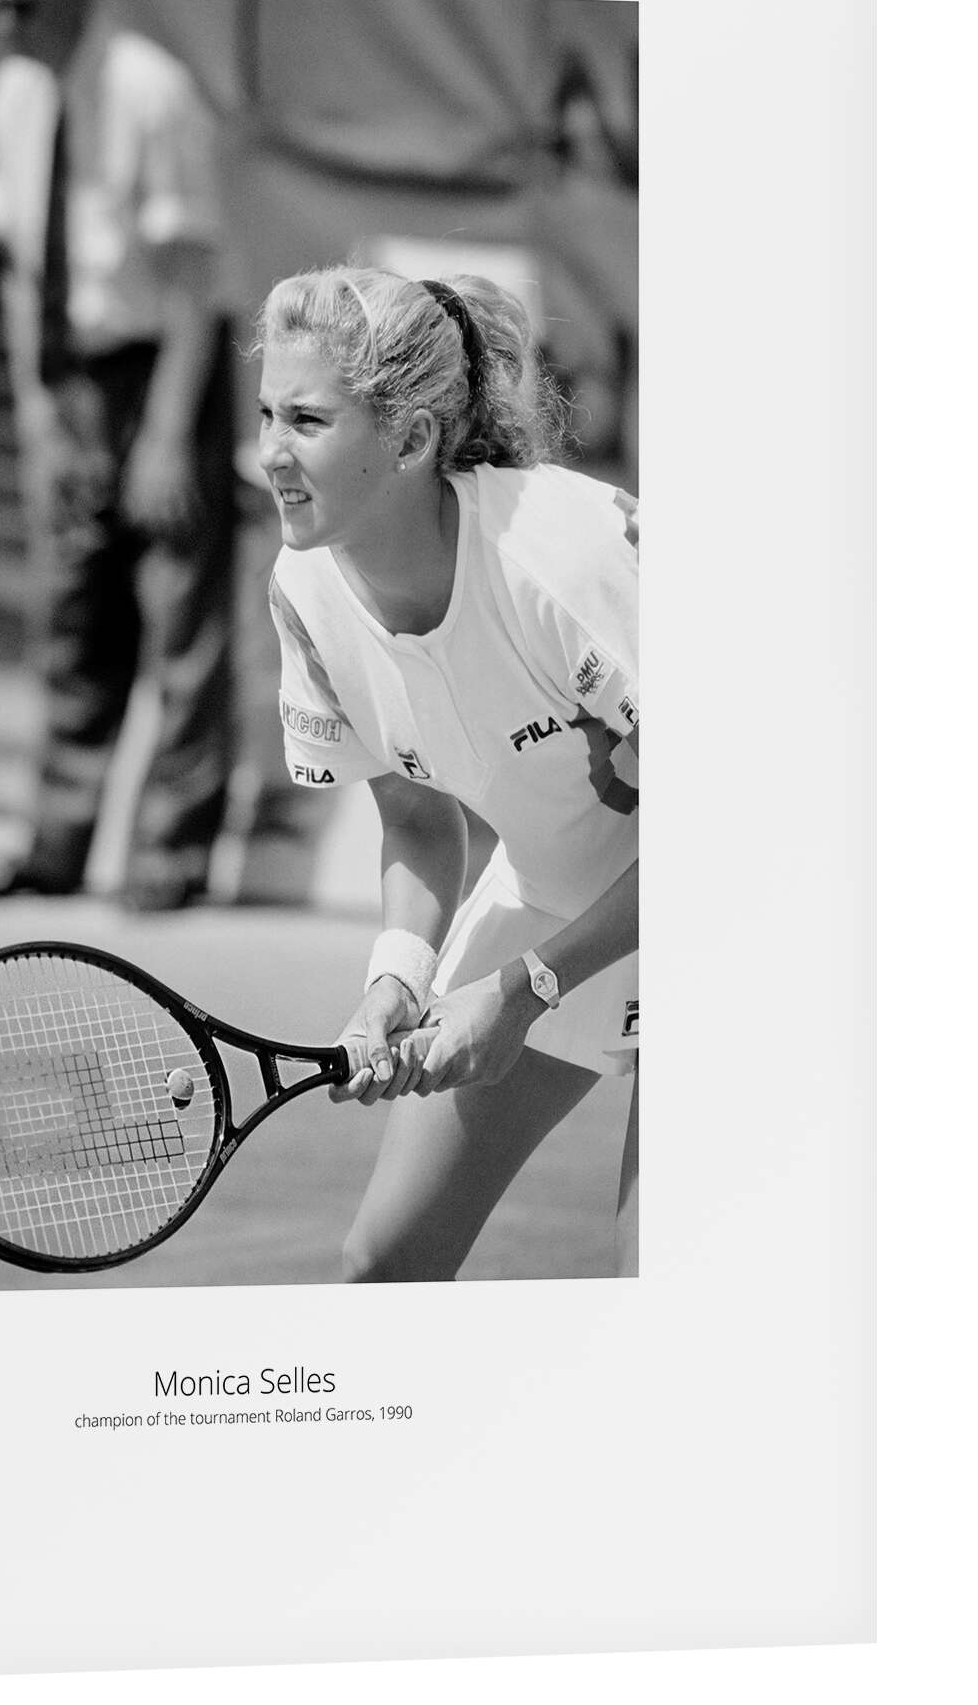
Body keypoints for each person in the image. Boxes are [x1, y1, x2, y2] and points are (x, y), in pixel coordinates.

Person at [257, 266, 639, 1278]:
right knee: (385, 1266)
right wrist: (399, 978)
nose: (270, 453)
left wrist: (527, 989)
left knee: (669, 1285)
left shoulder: (559, 558)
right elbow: (420, 819)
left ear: (413, 439)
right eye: (266, 414)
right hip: (556, 891)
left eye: (306, 419)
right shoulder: (303, 590)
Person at [0, 0, 235, 911]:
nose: (5, 24)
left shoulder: (152, 90)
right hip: (71, 370)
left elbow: (192, 277)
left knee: (179, 612)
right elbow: (20, 271)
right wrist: (37, 413)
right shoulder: (12, 98)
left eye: (21, 2)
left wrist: (166, 433)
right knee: (73, 612)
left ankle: (171, 850)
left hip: (161, 366)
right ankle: (56, 842)